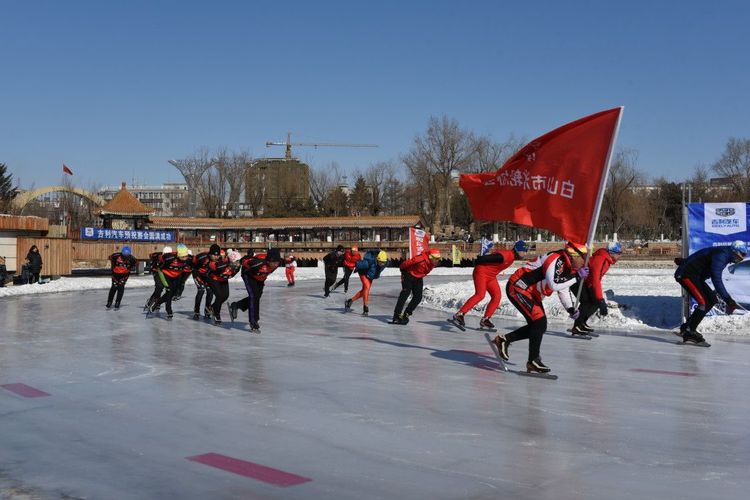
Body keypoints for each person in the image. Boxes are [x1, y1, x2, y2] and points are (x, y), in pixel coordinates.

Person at [491, 242, 589, 374]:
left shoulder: (569, 265)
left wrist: (570, 308)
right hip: (519, 287)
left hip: (532, 293)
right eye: (584, 257)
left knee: (540, 326)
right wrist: (576, 278)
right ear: (574, 255)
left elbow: (563, 289)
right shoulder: (556, 260)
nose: (585, 262)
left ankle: (504, 340)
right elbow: (554, 284)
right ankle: (533, 361)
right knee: (539, 322)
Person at [673, 240, 747, 344]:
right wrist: (728, 300)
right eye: (742, 254)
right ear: (735, 251)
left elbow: (703, 256)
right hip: (686, 275)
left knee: (712, 299)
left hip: (695, 276)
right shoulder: (722, 255)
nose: (742, 258)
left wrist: (685, 261)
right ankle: (690, 331)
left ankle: (686, 327)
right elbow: (716, 279)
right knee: (703, 303)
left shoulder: (724, 253)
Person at [452, 240, 529, 330]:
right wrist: (480, 259)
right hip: (481, 272)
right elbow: (493, 257)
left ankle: (485, 319)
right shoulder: (507, 255)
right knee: (480, 295)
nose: (525, 253)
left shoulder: (511, 257)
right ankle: (460, 314)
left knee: (497, 296)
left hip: (491, 276)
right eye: (524, 251)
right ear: (517, 250)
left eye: (526, 251)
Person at [570, 241, 622, 335]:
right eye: (619, 253)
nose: (620, 256)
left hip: (586, 281)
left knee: (594, 302)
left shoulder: (606, 259)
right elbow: (595, 279)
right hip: (577, 279)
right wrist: (600, 299)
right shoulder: (601, 259)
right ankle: (577, 326)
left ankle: (581, 323)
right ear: (612, 253)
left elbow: (595, 279)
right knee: (587, 302)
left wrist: (597, 296)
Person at [229, 248, 283, 331]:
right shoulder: (257, 263)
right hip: (249, 275)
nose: (275, 265)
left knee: (256, 297)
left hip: (261, 277)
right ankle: (253, 321)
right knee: (254, 296)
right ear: (268, 261)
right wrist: (236, 264)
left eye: (277, 263)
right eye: (274, 263)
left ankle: (236, 305)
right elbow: (244, 260)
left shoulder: (278, 263)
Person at [391, 248, 442, 324]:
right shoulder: (419, 259)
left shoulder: (433, 263)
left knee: (418, 297)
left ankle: (407, 314)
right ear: (431, 257)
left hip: (418, 277)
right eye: (436, 258)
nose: (437, 260)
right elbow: (405, 264)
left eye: (438, 258)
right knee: (405, 293)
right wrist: (403, 271)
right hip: (408, 274)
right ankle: (397, 315)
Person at [148, 244, 193, 319]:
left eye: (186, 256)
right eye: (182, 257)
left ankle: (157, 302)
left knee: (174, 292)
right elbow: (159, 264)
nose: (185, 258)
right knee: (169, 290)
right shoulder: (169, 258)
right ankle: (169, 311)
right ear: (178, 255)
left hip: (176, 275)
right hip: (165, 274)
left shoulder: (189, 259)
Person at [345, 250, 388, 316]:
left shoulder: (385, 263)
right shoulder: (370, 261)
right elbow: (358, 264)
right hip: (363, 273)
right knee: (367, 288)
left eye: (383, 262)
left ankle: (349, 301)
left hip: (370, 275)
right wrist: (350, 264)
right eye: (380, 262)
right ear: (377, 259)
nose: (382, 264)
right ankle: (365, 308)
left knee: (364, 291)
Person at [206, 248, 241, 325]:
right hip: (214, 279)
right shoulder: (220, 265)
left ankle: (212, 307)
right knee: (219, 296)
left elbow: (232, 274)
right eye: (236, 262)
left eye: (238, 262)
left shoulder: (237, 267)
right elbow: (214, 267)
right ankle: (216, 314)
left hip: (223, 279)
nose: (237, 264)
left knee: (225, 296)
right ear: (231, 262)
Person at [191, 244, 219, 320]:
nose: (216, 257)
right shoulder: (202, 257)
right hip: (197, 274)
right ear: (210, 254)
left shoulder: (218, 260)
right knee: (201, 290)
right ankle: (196, 311)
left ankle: (207, 310)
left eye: (217, 255)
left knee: (210, 290)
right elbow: (192, 263)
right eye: (214, 255)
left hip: (207, 276)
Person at [145, 246, 171, 311]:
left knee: (161, 288)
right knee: (159, 287)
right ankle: (153, 301)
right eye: (165, 254)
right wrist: (153, 262)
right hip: (156, 272)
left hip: (164, 273)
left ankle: (155, 301)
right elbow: (151, 255)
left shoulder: (171, 258)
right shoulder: (157, 255)